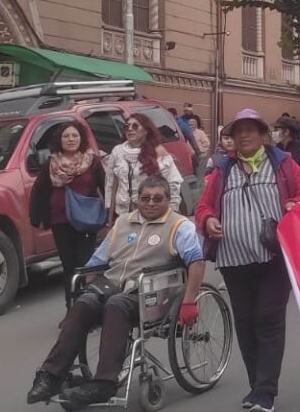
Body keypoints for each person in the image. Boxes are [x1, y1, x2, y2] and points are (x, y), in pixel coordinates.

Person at [26, 176, 203, 410]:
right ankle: (51, 375)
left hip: (151, 290)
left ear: (168, 200)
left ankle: (105, 382)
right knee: (83, 304)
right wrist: (89, 288)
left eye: (157, 199)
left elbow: (196, 263)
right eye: (145, 198)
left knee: (116, 305)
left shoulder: (180, 226)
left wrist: (189, 301)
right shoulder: (123, 223)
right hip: (114, 283)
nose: (150, 203)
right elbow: (98, 260)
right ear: (137, 200)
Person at [197, 109, 300, 412]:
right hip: (234, 261)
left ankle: (265, 392)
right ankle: (255, 389)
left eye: (251, 130)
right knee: (246, 324)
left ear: (263, 135)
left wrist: (294, 203)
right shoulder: (222, 170)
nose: (245, 135)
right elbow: (203, 207)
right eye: (239, 131)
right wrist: (208, 220)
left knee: (268, 320)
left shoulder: (283, 164)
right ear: (232, 139)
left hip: (275, 257)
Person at [28, 122, 106, 304]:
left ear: (81, 139)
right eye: (66, 136)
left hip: (86, 221)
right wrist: (36, 217)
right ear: (59, 140)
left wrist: (112, 213)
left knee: (84, 264)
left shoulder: (92, 161)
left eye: (75, 135)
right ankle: (71, 307)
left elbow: (105, 187)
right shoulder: (51, 163)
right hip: (60, 221)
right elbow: (39, 189)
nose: (71, 139)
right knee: (68, 265)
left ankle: (87, 305)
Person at [104, 113, 182, 221]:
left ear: (146, 131)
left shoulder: (158, 152)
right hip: (123, 214)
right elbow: (110, 182)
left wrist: (171, 210)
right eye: (127, 126)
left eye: (135, 126)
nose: (130, 129)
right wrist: (109, 208)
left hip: (150, 213)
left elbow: (173, 183)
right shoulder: (117, 151)